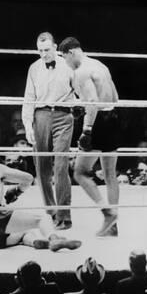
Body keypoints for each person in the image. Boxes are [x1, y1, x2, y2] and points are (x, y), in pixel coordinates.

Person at [59, 37, 121, 237]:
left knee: (80, 172)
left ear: (71, 52)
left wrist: (86, 130)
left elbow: (93, 101)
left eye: (64, 57)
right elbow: (114, 97)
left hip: (97, 123)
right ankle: (113, 226)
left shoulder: (81, 71)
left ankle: (108, 213)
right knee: (110, 174)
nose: (65, 63)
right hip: (113, 117)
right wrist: (83, 106)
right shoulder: (99, 65)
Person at [0, 156, 81, 251]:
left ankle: (36, 242)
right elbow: (29, 178)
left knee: (23, 231)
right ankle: (54, 239)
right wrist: (17, 191)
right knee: (42, 218)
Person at [22, 32, 75, 230]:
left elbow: (80, 90)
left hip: (63, 115)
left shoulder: (68, 65)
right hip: (41, 115)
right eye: (40, 50)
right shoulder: (34, 68)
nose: (44, 54)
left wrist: (77, 106)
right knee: (42, 166)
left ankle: (64, 214)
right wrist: (27, 124)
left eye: (47, 50)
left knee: (61, 166)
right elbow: (28, 97)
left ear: (55, 47)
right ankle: (52, 211)